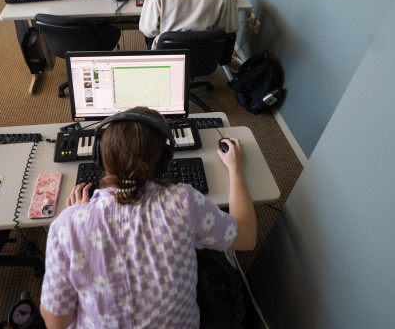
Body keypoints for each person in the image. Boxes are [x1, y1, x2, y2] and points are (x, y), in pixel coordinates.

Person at [39, 107, 256, 328]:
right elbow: (247, 236)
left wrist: (80, 216)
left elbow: (56, 323)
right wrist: (236, 169)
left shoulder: (66, 225)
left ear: (100, 157)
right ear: (164, 161)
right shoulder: (184, 202)